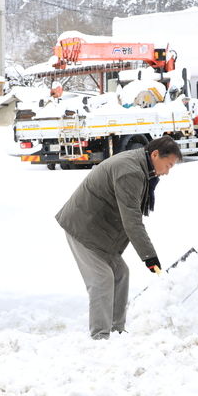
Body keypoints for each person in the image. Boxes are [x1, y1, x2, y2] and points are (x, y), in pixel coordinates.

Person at [56, 135, 182, 339]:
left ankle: (117, 331)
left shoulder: (141, 166)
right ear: (155, 154)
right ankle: (101, 337)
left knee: (121, 273)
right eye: (167, 165)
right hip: (83, 228)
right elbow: (131, 220)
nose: (167, 172)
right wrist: (149, 257)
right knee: (102, 279)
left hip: (100, 230)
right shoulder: (131, 172)